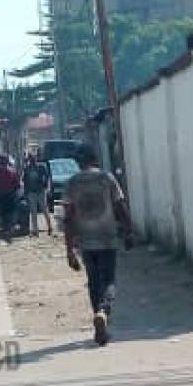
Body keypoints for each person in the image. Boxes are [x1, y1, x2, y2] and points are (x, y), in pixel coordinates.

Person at [63, 144, 134, 346]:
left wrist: (69, 251)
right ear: (95, 159)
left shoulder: (72, 183)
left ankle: (99, 318)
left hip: (86, 242)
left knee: (94, 281)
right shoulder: (107, 178)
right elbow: (120, 206)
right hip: (107, 238)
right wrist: (128, 231)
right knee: (109, 281)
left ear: (79, 162)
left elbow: (68, 219)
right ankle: (103, 311)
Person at [0, 154, 20, 240]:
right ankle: (8, 229)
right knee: (9, 214)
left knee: (3, 214)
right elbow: (17, 185)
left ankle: (6, 229)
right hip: (9, 197)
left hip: (0, 197)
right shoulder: (12, 172)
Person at [22, 153, 53, 237]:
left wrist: (46, 185)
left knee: (44, 209)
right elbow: (24, 181)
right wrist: (25, 192)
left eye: (33, 158)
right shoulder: (26, 169)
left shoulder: (41, 167)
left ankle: (50, 227)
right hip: (31, 192)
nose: (32, 160)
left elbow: (47, 176)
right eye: (30, 159)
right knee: (33, 211)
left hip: (40, 191)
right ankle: (35, 230)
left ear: (35, 159)